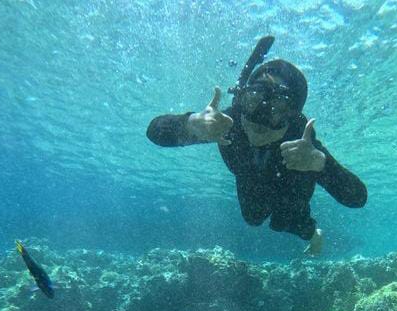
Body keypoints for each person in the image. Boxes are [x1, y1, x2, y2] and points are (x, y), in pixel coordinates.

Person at [146, 54, 366, 255]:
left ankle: (313, 232)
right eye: (254, 100)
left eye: (277, 109)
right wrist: (191, 124)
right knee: (252, 218)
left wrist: (321, 164)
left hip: (291, 184)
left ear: (292, 116)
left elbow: (358, 198)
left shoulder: (302, 142)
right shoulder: (225, 123)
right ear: (243, 98)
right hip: (250, 178)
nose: (258, 120)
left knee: (285, 221)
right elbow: (154, 132)